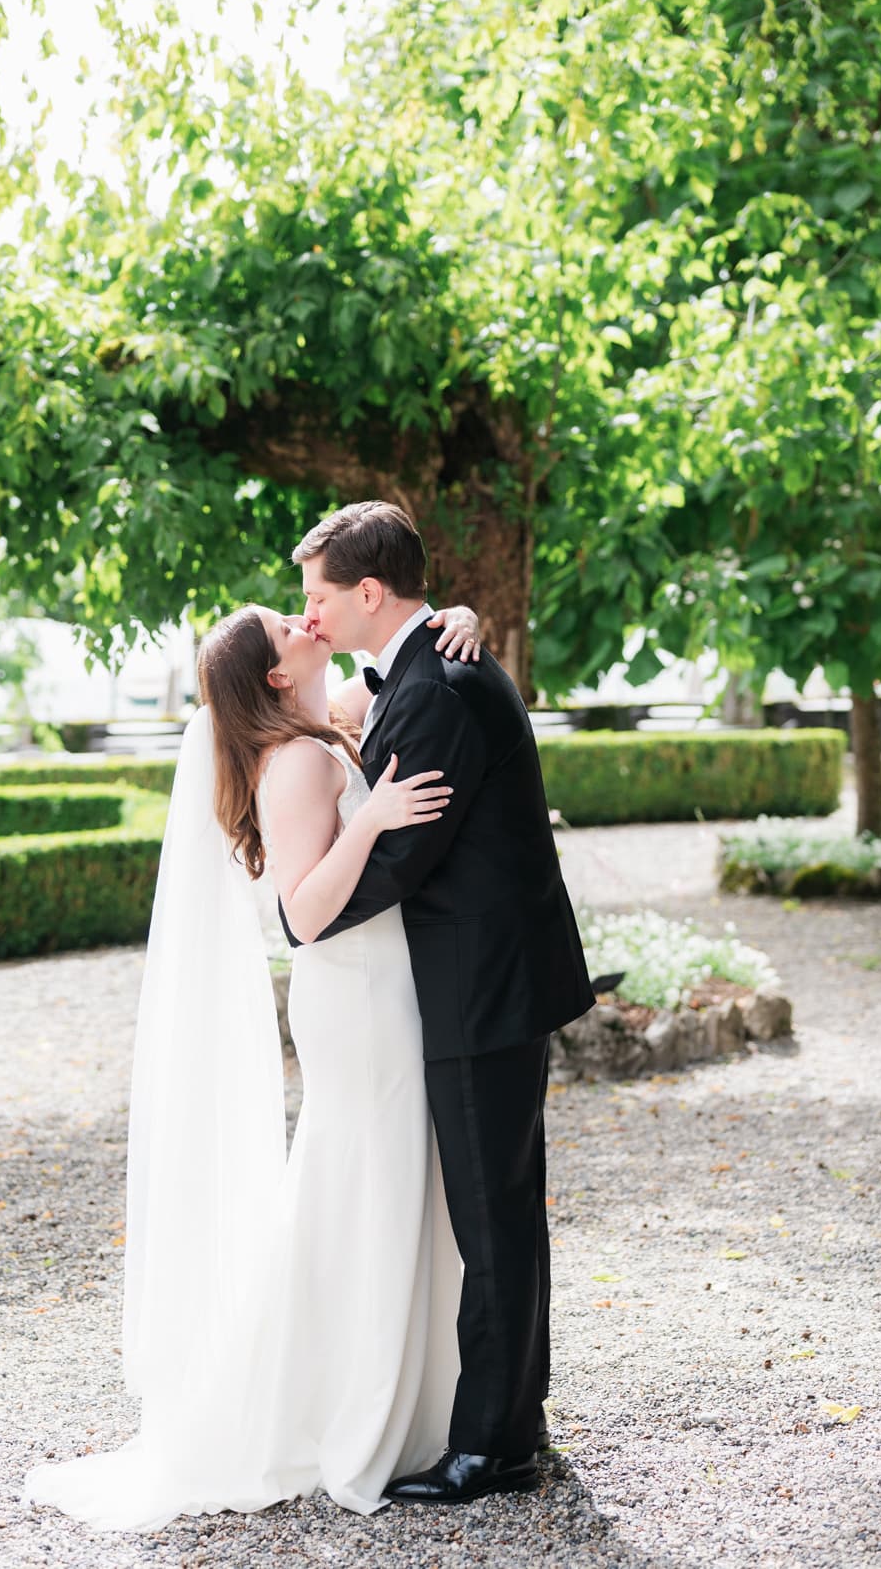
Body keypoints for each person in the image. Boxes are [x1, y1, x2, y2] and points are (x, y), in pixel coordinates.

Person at [22, 601, 482, 1533]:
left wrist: (455, 616)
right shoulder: (298, 760)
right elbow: (302, 915)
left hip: (378, 988)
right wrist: (376, 818)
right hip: (356, 998)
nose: (304, 615)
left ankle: (399, 1399)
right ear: (276, 673)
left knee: (377, 1184)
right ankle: (351, 1410)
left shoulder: (321, 724)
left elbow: (392, 668)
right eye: (285, 624)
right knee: (368, 1183)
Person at [289, 501, 594, 1506]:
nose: (312, 614)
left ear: (371, 592)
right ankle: (517, 1420)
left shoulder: (441, 688)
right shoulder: (427, 668)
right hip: (486, 979)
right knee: (502, 1211)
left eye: (319, 595)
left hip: (479, 988)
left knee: (492, 1221)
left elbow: (400, 856)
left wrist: (310, 908)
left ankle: (494, 1448)